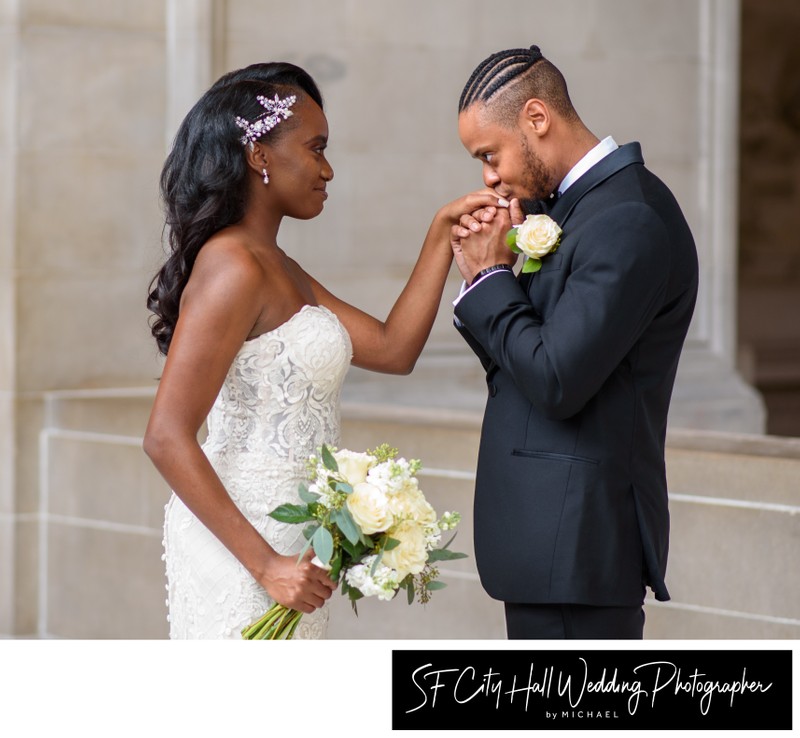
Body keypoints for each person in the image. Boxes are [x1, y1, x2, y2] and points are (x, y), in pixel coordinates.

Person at [143, 62, 504, 639]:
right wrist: (266, 565)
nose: (328, 168)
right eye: (316, 148)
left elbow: (393, 349)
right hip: (247, 547)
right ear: (259, 155)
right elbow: (165, 435)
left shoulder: (280, 267)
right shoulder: (232, 263)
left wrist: (442, 234)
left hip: (295, 544)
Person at [449, 45, 699, 639]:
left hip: (578, 543)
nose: (487, 176)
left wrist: (489, 281)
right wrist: (494, 277)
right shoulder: (572, 210)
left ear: (537, 118)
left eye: (490, 154)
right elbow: (519, 367)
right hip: (552, 548)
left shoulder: (627, 218)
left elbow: (557, 379)